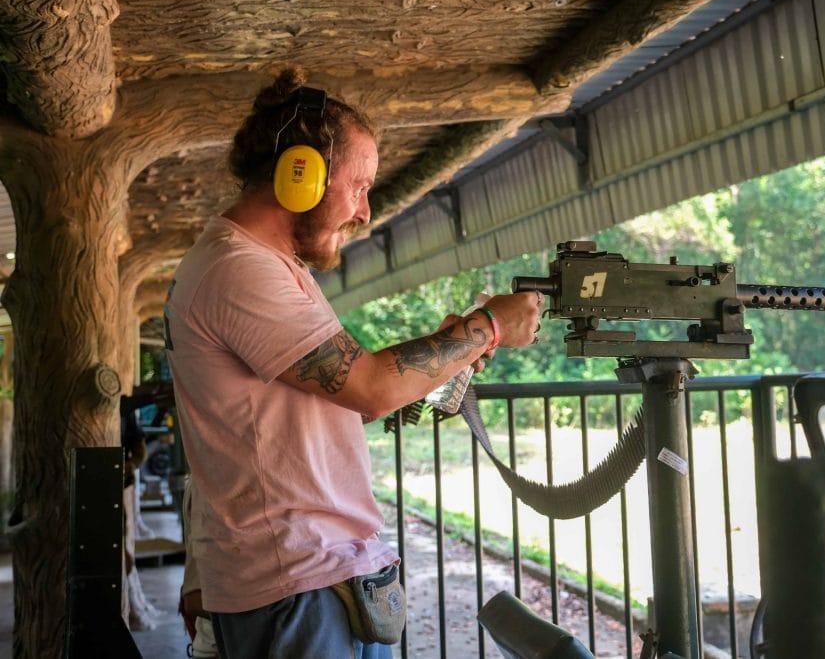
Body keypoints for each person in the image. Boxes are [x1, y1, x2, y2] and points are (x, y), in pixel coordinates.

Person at [163, 67, 542, 658]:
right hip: (293, 586)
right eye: (359, 184)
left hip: (317, 579)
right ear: (301, 175)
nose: (364, 211)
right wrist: (487, 327)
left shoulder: (268, 266)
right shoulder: (239, 269)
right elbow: (365, 384)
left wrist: (450, 353)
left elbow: (326, 400)